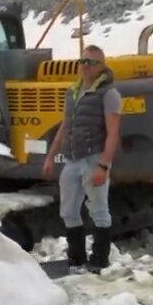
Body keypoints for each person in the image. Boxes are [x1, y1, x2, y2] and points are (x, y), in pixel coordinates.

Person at [43, 44, 121, 272]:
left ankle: (99, 260)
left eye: (92, 62)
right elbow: (65, 126)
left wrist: (103, 166)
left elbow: (113, 132)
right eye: (83, 61)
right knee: (68, 210)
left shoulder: (109, 94)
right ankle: (76, 258)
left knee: (98, 209)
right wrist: (50, 155)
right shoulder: (73, 92)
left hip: (93, 158)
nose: (86, 66)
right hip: (72, 159)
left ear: (102, 66)